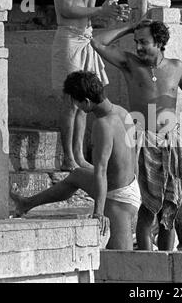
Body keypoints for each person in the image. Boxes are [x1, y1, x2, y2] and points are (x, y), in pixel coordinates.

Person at [90, 19, 182, 250]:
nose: (139, 47)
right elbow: (97, 42)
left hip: (169, 144)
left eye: (144, 42)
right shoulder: (130, 63)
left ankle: (169, 263)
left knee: (169, 211)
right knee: (146, 211)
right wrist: (130, 27)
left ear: (159, 42)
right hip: (140, 141)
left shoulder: (176, 67)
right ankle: (149, 263)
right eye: (136, 42)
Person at [11, 71, 141, 250]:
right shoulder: (123, 112)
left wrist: (99, 212)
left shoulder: (103, 125)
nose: (78, 107)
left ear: (86, 101)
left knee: (120, 263)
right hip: (130, 187)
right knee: (78, 175)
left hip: (118, 200)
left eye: (77, 103)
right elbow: (135, 155)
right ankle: (26, 204)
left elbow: (101, 170)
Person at [52, 0, 130, 171]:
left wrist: (110, 13)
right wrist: (101, 10)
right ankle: (68, 157)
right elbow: (65, 8)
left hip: (86, 36)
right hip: (69, 38)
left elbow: (88, 11)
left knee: (84, 102)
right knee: (70, 101)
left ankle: (78, 155)